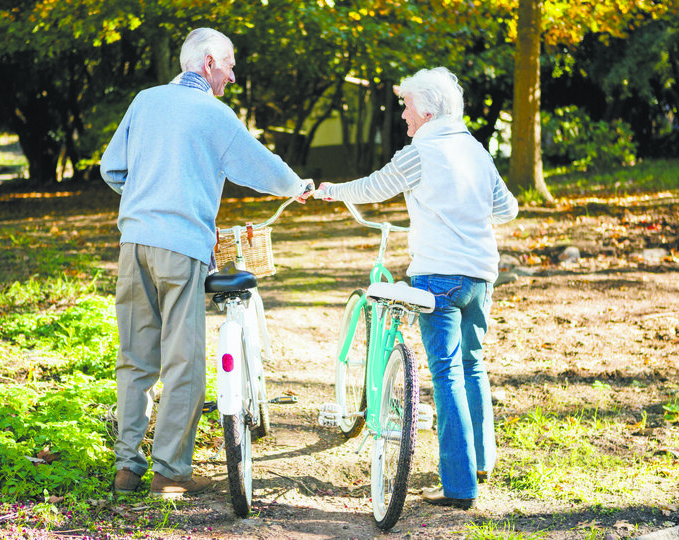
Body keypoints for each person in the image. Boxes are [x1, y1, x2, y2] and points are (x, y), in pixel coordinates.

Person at [100, 27, 312, 498]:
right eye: (230, 65)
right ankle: (170, 471)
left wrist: (145, 199)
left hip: (133, 244)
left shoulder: (144, 101)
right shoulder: (214, 115)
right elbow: (260, 165)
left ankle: (127, 467)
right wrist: (296, 185)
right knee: (184, 362)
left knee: (134, 359)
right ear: (209, 62)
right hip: (182, 249)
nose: (233, 76)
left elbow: (112, 169)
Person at [317, 67, 518, 509]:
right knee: (473, 365)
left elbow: (374, 187)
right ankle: (480, 461)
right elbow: (507, 208)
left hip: (439, 276)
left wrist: (332, 190)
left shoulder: (420, 152)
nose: (403, 114)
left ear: (426, 110)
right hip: (481, 275)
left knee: (445, 373)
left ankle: (460, 487)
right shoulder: (476, 150)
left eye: (406, 106)